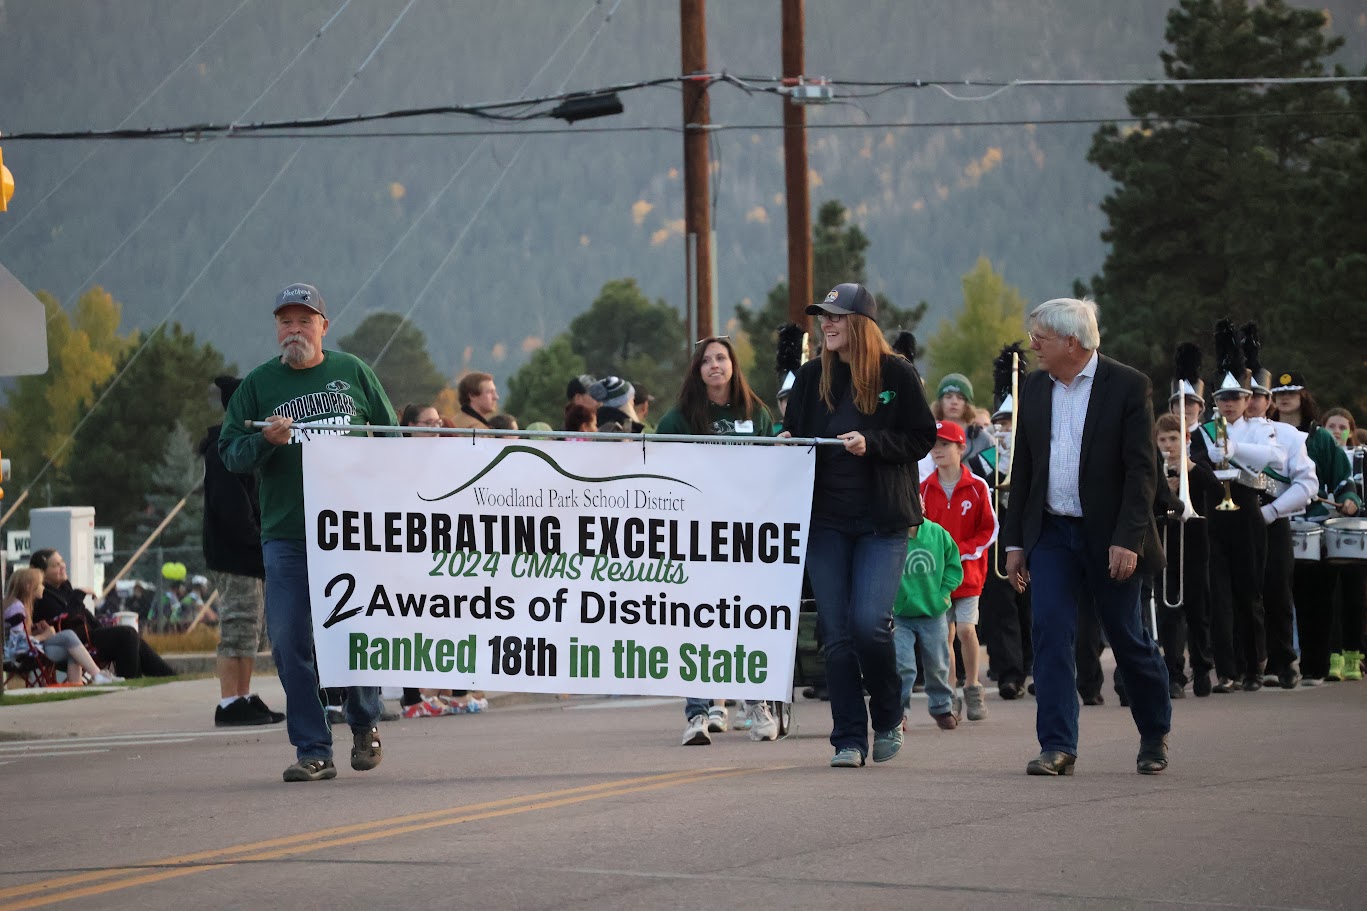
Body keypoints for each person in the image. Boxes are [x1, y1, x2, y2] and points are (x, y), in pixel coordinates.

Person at [219, 282, 397, 783]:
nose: (293, 329)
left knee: (354, 630)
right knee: (290, 639)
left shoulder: (353, 373)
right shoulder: (257, 385)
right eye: (285, 321)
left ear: (324, 325)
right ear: (276, 328)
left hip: (351, 530)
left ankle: (364, 722)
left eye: (304, 320)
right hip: (288, 534)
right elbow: (230, 454)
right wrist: (263, 442)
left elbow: (392, 441)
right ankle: (313, 748)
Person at [1002, 297, 1172, 777]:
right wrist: (1015, 542)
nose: (1033, 346)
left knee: (1127, 637)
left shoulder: (1128, 386)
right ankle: (1057, 745)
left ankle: (1154, 731)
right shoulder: (1035, 387)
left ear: (1072, 342)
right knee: (1051, 632)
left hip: (1110, 536)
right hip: (1052, 533)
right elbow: (1025, 467)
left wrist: (1129, 539)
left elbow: (1143, 471)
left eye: (1041, 338)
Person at [781, 282, 937, 768]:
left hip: (881, 521)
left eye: (836, 316)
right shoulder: (810, 378)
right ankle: (848, 736)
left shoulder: (897, 373)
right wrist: (788, 440)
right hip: (825, 521)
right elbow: (802, 437)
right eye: (822, 317)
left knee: (868, 625)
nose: (826, 324)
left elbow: (921, 437)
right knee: (835, 632)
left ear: (861, 324)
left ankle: (888, 713)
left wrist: (873, 444)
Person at [656, 337, 780, 744]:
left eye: (721, 358)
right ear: (697, 369)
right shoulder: (680, 417)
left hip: (746, 536)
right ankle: (696, 714)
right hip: (695, 537)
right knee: (698, 623)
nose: (714, 365)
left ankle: (756, 706)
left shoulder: (755, 413)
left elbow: (775, 467)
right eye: (706, 360)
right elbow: (657, 466)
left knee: (747, 620)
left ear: (733, 365)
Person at [1272, 372, 1363, 685]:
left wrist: (1349, 498)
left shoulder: (1321, 437)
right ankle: (1276, 667)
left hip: (1314, 525)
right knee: (1276, 598)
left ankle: (1315, 667)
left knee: (1318, 600)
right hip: (1275, 523)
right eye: (1279, 393)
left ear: (1302, 396)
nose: (1285, 398)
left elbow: (1342, 478)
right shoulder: (1264, 433)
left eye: (1292, 392)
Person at [203, 375, 283, 725]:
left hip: (249, 555)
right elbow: (233, 509)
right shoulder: (224, 448)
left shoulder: (247, 447)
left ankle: (244, 694)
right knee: (237, 628)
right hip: (236, 554)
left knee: (250, 630)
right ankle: (229, 701)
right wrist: (258, 539)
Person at [920, 420, 997, 721]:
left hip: (969, 574)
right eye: (934, 445)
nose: (938, 450)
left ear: (961, 448)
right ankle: (949, 693)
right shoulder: (924, 488)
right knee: (945, 636)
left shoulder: (978, 486)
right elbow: (919, 529)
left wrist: (963, 551)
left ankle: (973, 686)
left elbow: (989, 529)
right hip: (937, 578)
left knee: (966, 630)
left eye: (945, 444)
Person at [30, 549, 174, 678]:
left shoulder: (63, 588)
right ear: (42, 573)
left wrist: (100, 627)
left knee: (132, 636)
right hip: (76, 644)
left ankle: (169, 676)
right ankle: (132, 680)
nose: (62, 566)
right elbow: (69, 620)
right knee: (127, 634)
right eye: (55, 565)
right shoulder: (43, 596)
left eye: (62, 561)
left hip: (88, 636)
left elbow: (82, 613)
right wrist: (79, 594)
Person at [893, 517, 964, 730]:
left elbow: (953, 563)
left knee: (937, 663)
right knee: (902, 665)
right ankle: (899, 713)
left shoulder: (938, 533)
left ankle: (941, 707)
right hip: (900, 615)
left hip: (933, 613)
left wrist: (944, 593)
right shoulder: (890, 535)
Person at [5, 567, 122, 686]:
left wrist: (35, 631)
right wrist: (44, 636)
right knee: (68, 636)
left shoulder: (18, 605)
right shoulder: (16, 608)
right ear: (29, 586)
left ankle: (76, 687)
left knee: (74, 650)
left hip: (29, 652)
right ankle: (97, 675)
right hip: (20, 657)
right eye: (40, 584)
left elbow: (17, 636)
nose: (43, 587)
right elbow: (17, 644)